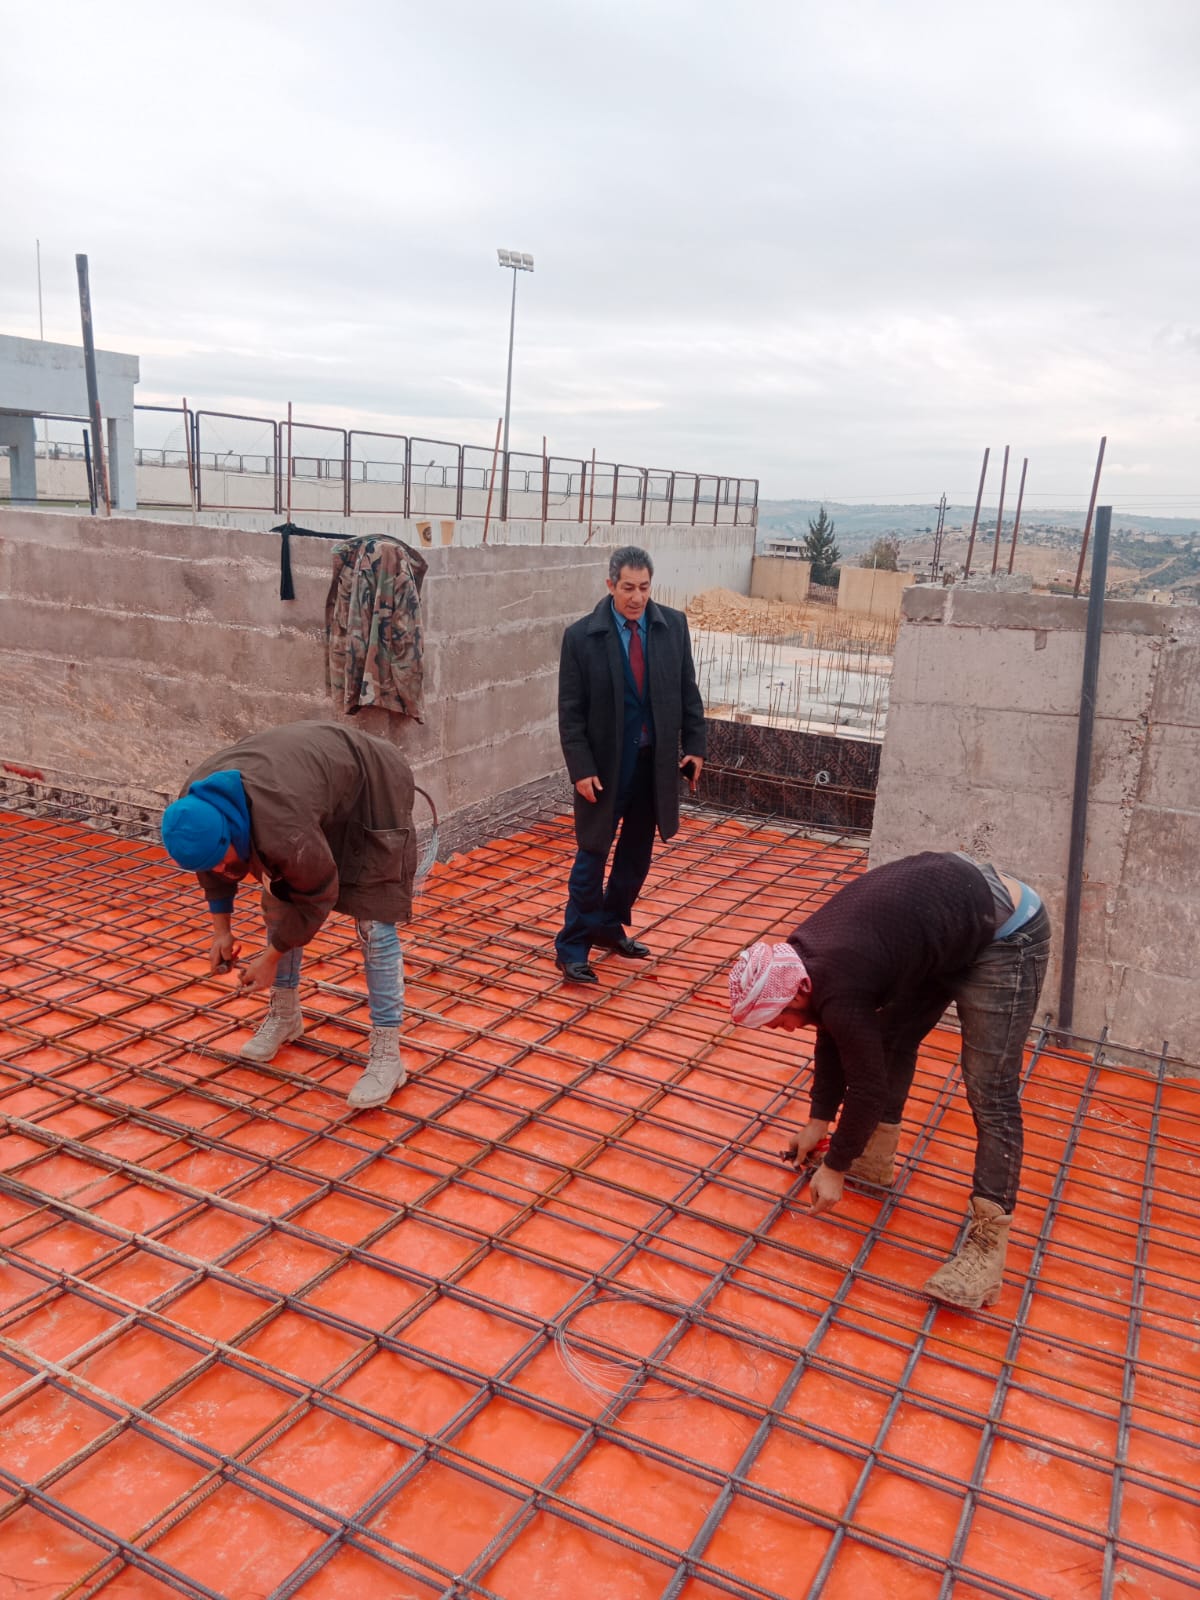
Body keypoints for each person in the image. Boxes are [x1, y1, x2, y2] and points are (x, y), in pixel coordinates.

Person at [728, 850, 1051, 1311]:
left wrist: (835, 1165)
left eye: (779, 1020)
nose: (785, 1029)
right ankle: (874, 1159)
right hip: (948, 921)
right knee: (889, 1038)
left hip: (1006, 930)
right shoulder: (807, 964)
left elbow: (866, 1084)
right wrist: (819, 1121)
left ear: (798, 990)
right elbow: (834, 1028)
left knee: (990, 1089)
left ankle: (986, 1249)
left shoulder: (833, 977)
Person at [160, 720, 417, 1110]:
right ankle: (285, 1015)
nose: (220, 870)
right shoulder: (192, 809)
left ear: (230, 833)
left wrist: (270, 959)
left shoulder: (280, 825)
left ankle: (388, 1055)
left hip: (372, 782)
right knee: (278, 891)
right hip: (309, 783)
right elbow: (210, 864)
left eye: (222, 859)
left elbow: (316, 895)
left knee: (374, 921)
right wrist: (221, 930)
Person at [554, 545, 706, 983]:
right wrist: (581, 768)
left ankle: (608, 926)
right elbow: (570, 713)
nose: (637, 597)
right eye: (627, 588)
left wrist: (695, 746)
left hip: (652, 765)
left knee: (636, 855)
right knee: (592, 855)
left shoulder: (672, 627)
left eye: (643, 587)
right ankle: (572, 947)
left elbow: (688, 691)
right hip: (604, 768)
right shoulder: (582, 638)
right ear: (610, 586)